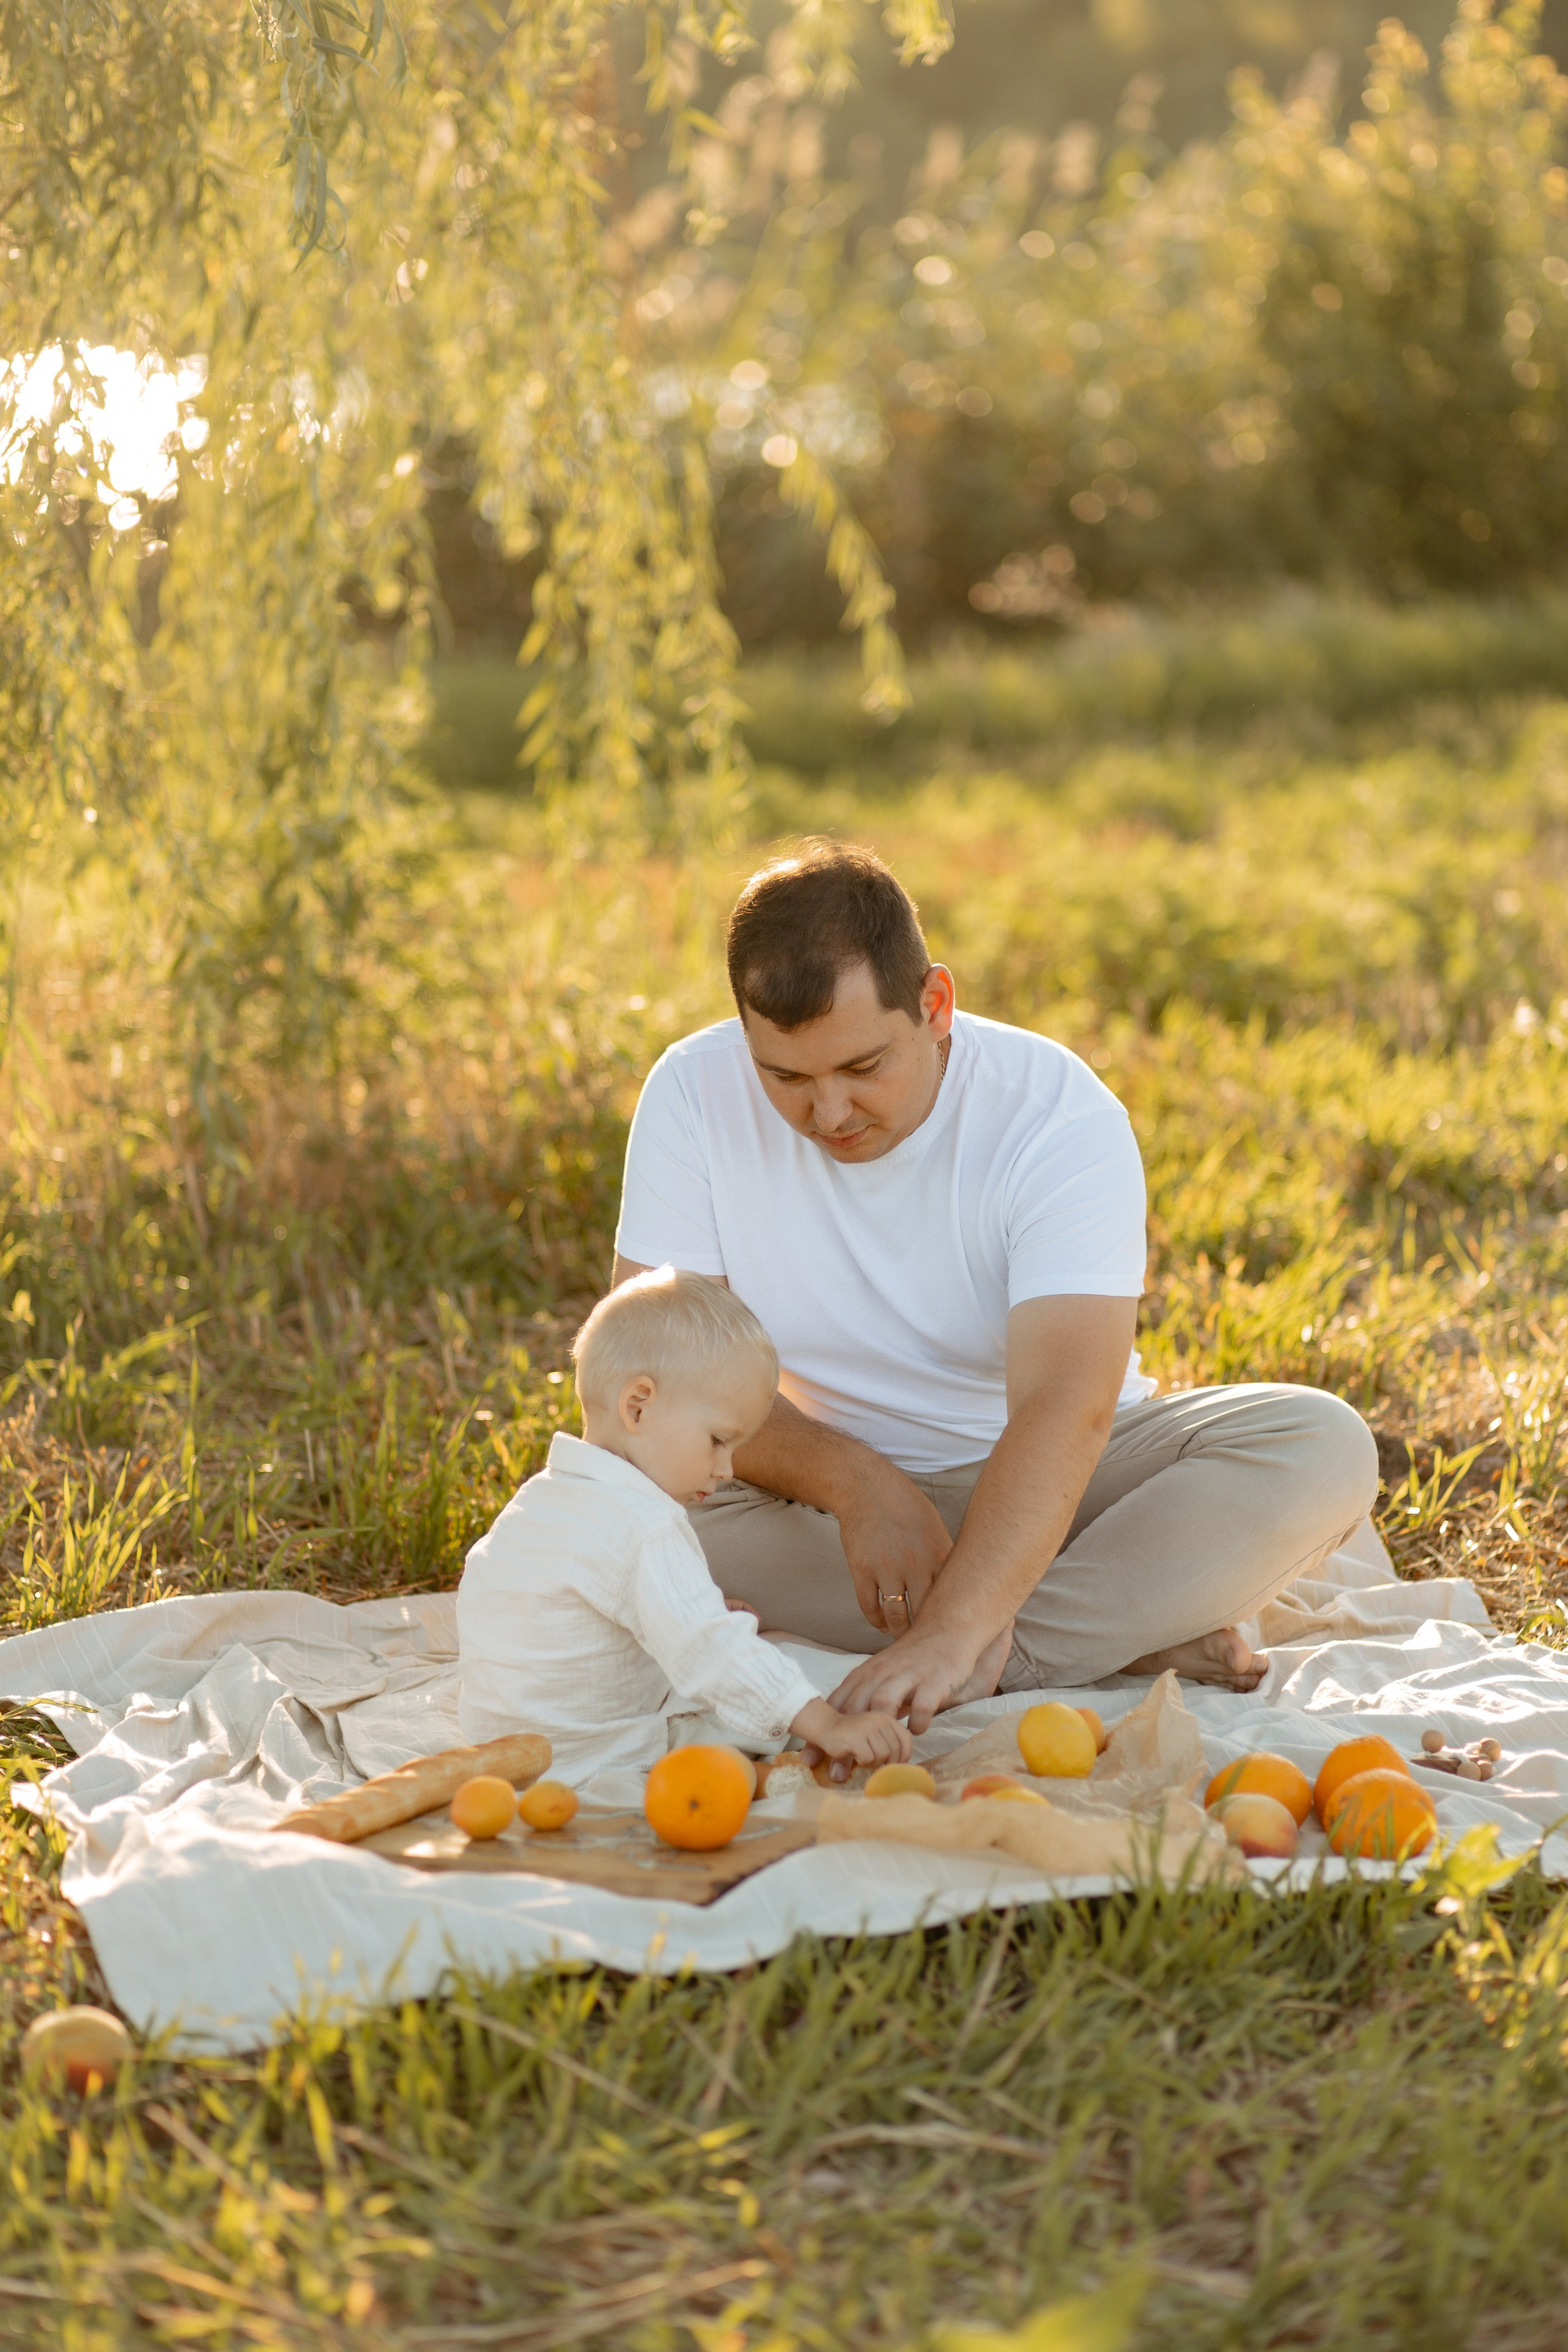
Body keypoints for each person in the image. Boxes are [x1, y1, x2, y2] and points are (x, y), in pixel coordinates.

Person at [611, 841, 1381, 1736]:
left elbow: (1066, 1405)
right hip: (806, 1500)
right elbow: (657, 1370)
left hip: (1050, 1486)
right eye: (785, 1076)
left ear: (934, 1005)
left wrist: (952, 1633)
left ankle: (982, 1648)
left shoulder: (1056, 1114)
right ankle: (1118, 1635)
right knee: (630, 1515)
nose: (828, 1113)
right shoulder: (691, 1092)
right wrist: (857, 1485)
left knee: (1321, 1447)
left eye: (862, 1068)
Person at [456, 1264, 913, 1776]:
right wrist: (828, 1725)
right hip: (600, 1754)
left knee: (760, 1652)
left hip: (502, 1748)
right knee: (816, 1677)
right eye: (718, 1441)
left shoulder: (536, 1502)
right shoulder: (644, 1524)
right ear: (638, 1407)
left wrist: (684, 1609)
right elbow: (710, 1650)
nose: (727, 1469)